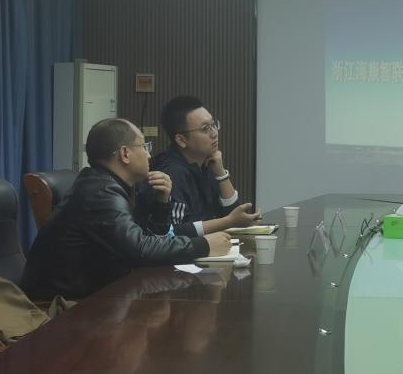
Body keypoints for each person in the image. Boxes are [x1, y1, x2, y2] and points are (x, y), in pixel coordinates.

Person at [21, 118, 231, 301]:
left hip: (100, 293)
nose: (149, 155)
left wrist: (162, 203)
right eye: (144, 147)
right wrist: (203, 245)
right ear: (125, 154)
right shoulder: (100, 193)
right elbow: (141, 250)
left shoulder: (105, 184)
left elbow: (148, 240)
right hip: (67, 306)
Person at [136, 96, 261, 237]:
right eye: (205, 128)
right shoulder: (171, 173)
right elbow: (172, 233)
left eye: (213, 125)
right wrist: (228, 221)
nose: (214, 133)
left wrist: (221, 174)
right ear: (181, 140)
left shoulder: (204, 164)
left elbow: (234, 215)